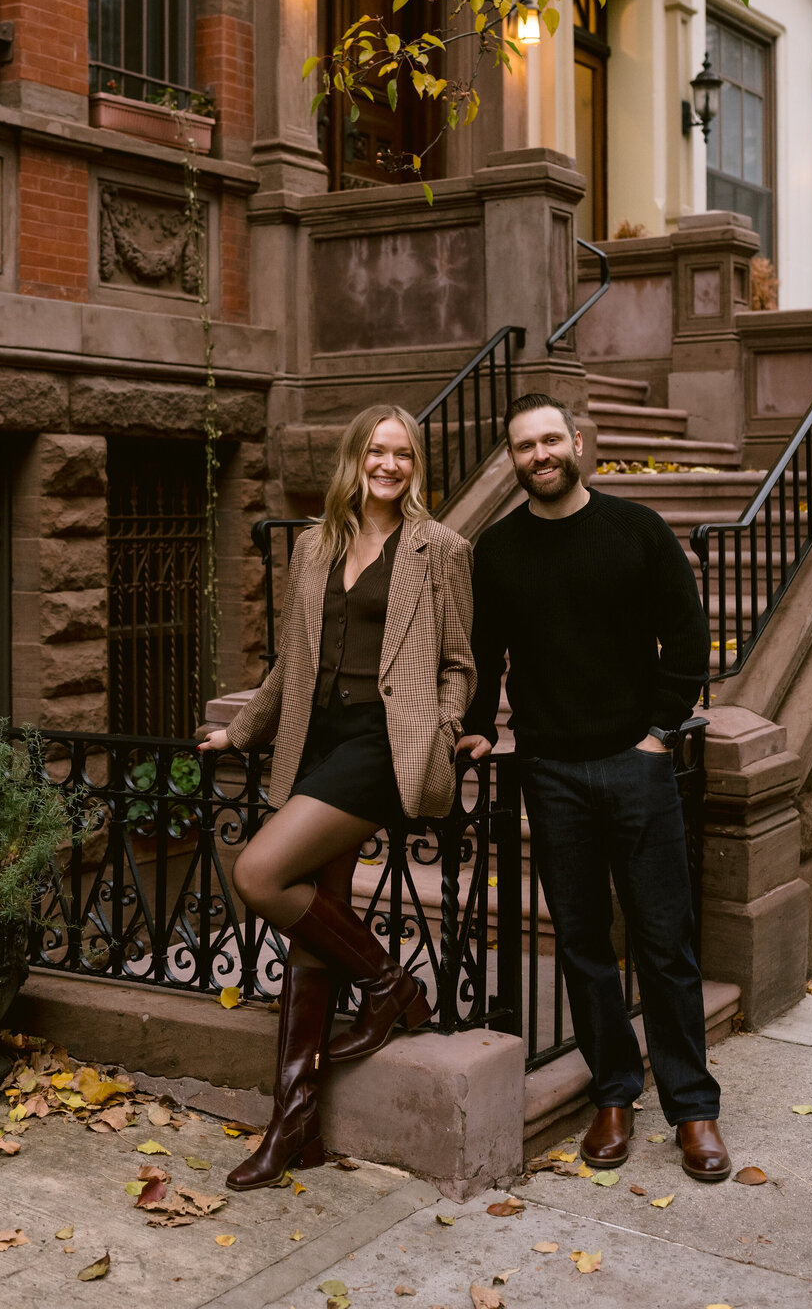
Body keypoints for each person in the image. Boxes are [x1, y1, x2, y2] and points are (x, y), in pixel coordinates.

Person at [198, 403, 475, 1191]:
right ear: (354, 459)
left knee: (258, 875)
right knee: (313, 934)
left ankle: (390, 985)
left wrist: (443, 727)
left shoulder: (440, 548)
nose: (390, 466)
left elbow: (460, 660)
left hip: (381, 749)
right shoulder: (316, 545)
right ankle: (295, 1129)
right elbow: (292, 661)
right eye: (378, 452)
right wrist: (243, 733)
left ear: (415, 467)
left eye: (404, 455)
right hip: (317, 742)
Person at [459, 392, 729, 1182]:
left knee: (663, 942)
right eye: (523, 445)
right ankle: (613, 1090)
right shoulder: (498, 550)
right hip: (550, 770)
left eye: (550, 440)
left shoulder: (636, 530)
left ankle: (693, 1107)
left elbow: (685, 636)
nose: (539, 455)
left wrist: (656, 732)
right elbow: (486, 649)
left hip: (635, 764)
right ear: (512, 459)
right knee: (582, 944)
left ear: (577, 444)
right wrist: (478, 723)